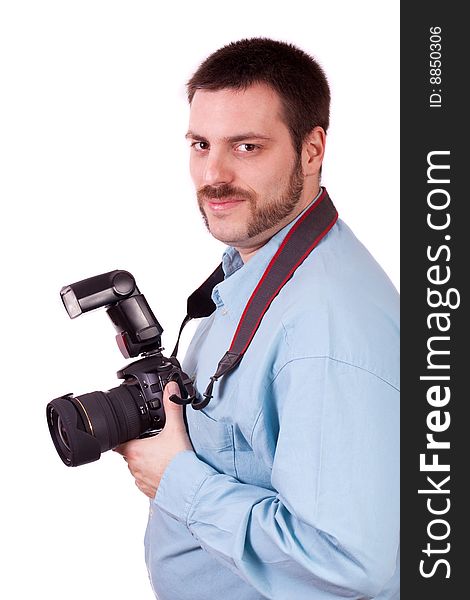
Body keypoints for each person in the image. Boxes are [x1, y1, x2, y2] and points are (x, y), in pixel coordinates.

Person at [114, 38, 400, 599]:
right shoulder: (261, 267)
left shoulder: (324, 328)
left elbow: (346, 564)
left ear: (312, 149)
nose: (212, 174)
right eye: (200, 144)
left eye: (246, 146)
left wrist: (177, 481)